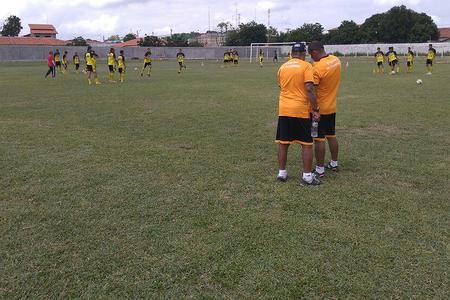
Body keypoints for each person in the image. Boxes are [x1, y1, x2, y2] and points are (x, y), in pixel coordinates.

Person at [275, 42, 321, 186]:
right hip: (300, 110)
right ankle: (307, 176)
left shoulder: (282, 67)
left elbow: (281, 86)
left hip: (284, 109)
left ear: (292, 53)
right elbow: (309, 88)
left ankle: (282, 173)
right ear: (304, 53)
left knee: (283, 143)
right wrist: (315, 109)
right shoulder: (306, 66)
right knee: (306, 144)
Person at [308, 41, 341, 178]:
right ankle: (334, 163)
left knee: (319, 139)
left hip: (320, 109)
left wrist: (315, 109)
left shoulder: (317, 68)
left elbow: (312, 91)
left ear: (315, 52)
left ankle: (320, 170)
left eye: (311, 55)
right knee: (331, 135)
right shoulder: (336, 60)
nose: (311, 58)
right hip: (332, 106)